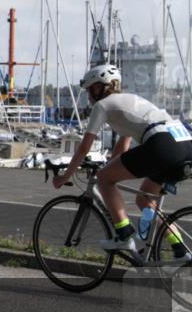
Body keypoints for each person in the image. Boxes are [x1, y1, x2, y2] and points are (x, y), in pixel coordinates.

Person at [53, 64, 191, 263]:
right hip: (184, 144)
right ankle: (180, 251)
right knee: (144, 200)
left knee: (103, 179)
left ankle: (124, 234)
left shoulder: (103, 106)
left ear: (100, 87)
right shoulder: (129, 102)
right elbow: (122, 148)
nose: (89, 95)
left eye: (91, 89)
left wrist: (65, 176)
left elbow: (83, 148)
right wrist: (109, 167)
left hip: (162, 144)